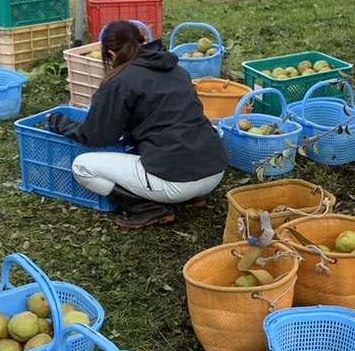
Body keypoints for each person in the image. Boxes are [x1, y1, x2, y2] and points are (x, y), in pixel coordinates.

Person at [46, 20, 229, 229]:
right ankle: (198, 197)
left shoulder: (121, 80)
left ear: (111, 53)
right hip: (214, 171)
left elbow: (96, 136)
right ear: (142, 41)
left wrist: (60, 123)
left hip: (176, 182)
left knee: (81, 165)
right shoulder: (177, 69)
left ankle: (150, 208)